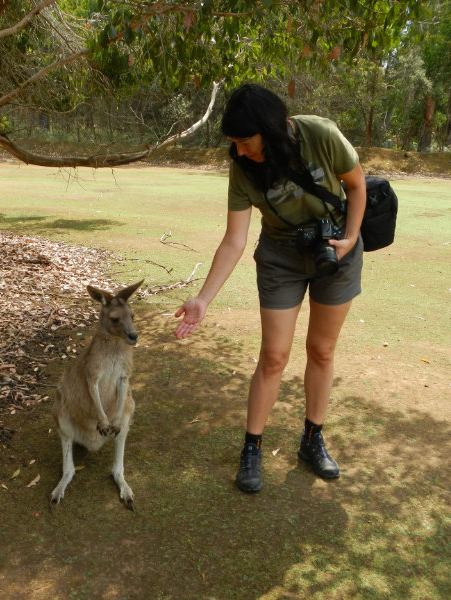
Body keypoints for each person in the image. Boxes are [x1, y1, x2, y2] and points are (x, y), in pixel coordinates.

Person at [174, 83, 366, 492]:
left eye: (246, 141)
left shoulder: (320, 134)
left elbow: (356, 184)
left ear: (272, 129)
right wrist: (204, 298)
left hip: (335, 250)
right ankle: (252, 448)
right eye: (234, 143)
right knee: (274, 356)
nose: (240, 151)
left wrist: (350, 238)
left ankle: (312, 440)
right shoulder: (242, 166)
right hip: (280, 256)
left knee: (322, 350)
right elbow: (234, 240)